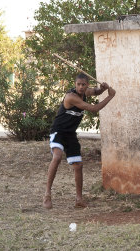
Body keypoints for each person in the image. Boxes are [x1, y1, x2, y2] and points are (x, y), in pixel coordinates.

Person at [43, 73, 116, 209]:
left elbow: (95, 91)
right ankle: (47, 194)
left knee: (78, 165)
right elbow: (94, 109)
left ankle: (79, 199)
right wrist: (110, 96)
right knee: (57, 157)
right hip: (58, 131)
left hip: (70, 134)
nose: (81, 87)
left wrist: (103, 89)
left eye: (83, 84)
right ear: (75, 84)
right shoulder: (71, 97)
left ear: (87, 85)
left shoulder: (86, 92)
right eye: (78, 84)